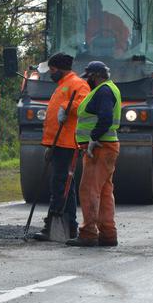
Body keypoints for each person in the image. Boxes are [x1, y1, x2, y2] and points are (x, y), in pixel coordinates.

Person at [31, 53, 90, 241]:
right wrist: (49, 145)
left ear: (61, 69)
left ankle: (62, 225)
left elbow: (84, 104)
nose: (50, 73)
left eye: (53, 69)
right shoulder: (62, 85)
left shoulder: (77, 84)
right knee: (61, 185)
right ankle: (63, 225)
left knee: (62, 185)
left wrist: (67, 106)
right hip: (57, 143)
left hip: (67, 143)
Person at [67, 61, 122, 247]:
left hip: (99, 147)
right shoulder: (109, 89)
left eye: (89, 76)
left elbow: (105, 117)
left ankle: (88, 233)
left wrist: (93, 138)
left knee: (89, 189)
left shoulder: (104, 91)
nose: (87, 80)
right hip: (106, 146)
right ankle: (108, 235)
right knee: (105, 192)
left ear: (95, 76)